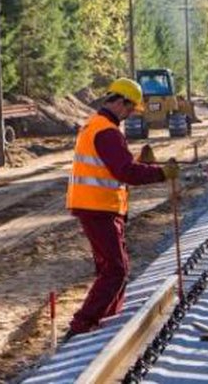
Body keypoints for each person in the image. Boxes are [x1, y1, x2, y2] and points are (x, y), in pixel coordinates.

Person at [65, 78, 177, 339]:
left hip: (96, 206)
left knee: (111, 268)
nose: (129, 114)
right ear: (119, 102)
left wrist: (142, 163)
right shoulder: (106, 131)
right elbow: (125, 172)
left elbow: (114, 167)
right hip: (98, 207)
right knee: (116, 269)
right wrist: (161, 173)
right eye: (129, 109)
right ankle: (82, 326)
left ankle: (107, 320)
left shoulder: (97, 126)